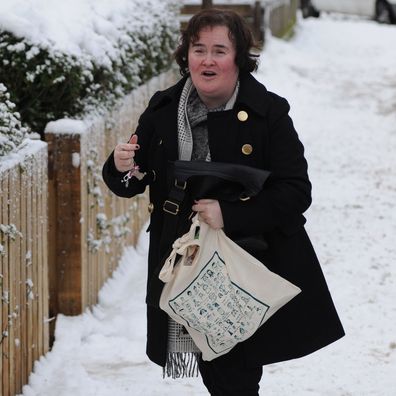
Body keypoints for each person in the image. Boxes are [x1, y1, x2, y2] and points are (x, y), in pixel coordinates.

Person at [102, 8, 345, 396]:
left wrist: (230, 214)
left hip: (246, 264)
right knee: (216, 369)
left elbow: (296, 190)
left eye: (219, 50)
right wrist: (119, 166)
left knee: (233, 372)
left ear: (238, 57)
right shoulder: (163, 109)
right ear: (187, 56)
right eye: (199, 49)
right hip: (184, 263)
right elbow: (133, 180)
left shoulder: (269, 112)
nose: (207, 60)